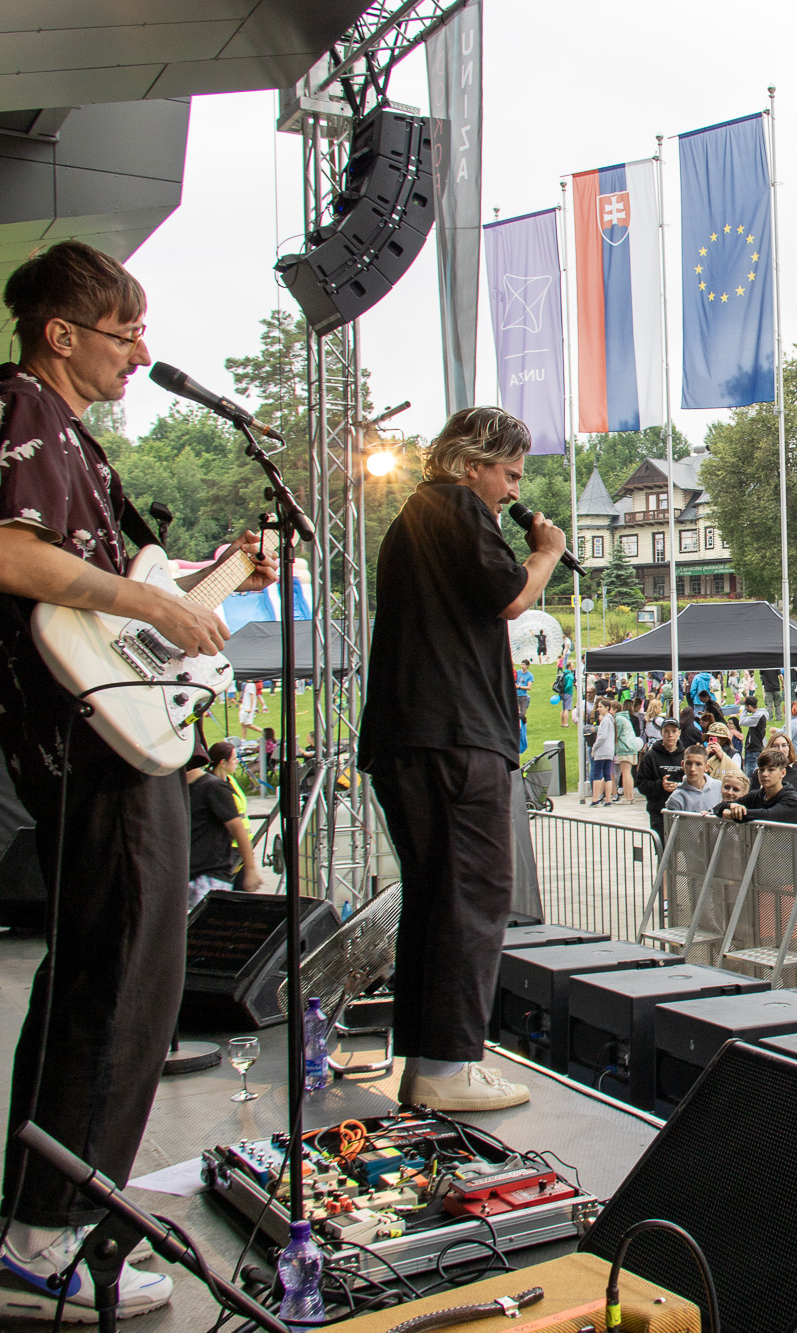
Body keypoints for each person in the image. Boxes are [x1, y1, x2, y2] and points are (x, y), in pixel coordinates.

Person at [0, 241, 279, 1319]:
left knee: (110, 980)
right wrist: (154, 603)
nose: (141, 354)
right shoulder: (22, 413)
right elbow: (4, 556)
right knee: (116, 988)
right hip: (87, 745)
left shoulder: (65, 435)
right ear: (61, 333)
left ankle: (41, 1223)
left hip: (110, 733)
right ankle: (40, 1245)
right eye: (125, 333)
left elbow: (108, 597)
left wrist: (212, 579)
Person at [359, 403, 563, 1116]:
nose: (513, 491)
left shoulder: (417, 516)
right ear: (472, 464)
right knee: (473, 894)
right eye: (509, 474)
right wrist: (546, 551)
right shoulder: (455, 507)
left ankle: (429, 1061)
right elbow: (511, 597)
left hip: (412, 737)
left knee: (435, 897)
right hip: (453, 737)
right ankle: (449, 1064)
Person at [186, 743, 262, 908]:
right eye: (234, 759)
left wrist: (250, 868)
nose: (237, 762)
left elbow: (237, 827)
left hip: (209, 875)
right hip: (188, 875)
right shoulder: (183, 789)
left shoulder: (213, 787)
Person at [634, 718, 688, 840]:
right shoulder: (650, 757)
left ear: (679, 733)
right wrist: (660, 785)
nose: (670, 735)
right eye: (666, 731)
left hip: (683, 811)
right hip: (659, 812)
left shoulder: (686, 755)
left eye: (674, 731)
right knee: (662, 848)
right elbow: (641, 784)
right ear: (661, 733)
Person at [718, 750, 797, 824]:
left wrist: (734, 814)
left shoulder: (792, 800)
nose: (764, 774)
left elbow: (768, 815)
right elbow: (717, 808)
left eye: (771, 770)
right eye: (761, 770)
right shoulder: (755, 796)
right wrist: (731, 806)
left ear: (782, 773)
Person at [588, 698, 619, 804]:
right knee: (607, 775)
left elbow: (602, 736)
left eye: (601, 707)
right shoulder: (611, 720)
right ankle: (608, 799)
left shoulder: (606, 720)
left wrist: (594, 747)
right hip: (609, 751)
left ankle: (595, 798)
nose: (598, 709)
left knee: (597, 774)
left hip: (602, 751)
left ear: (607, 708)